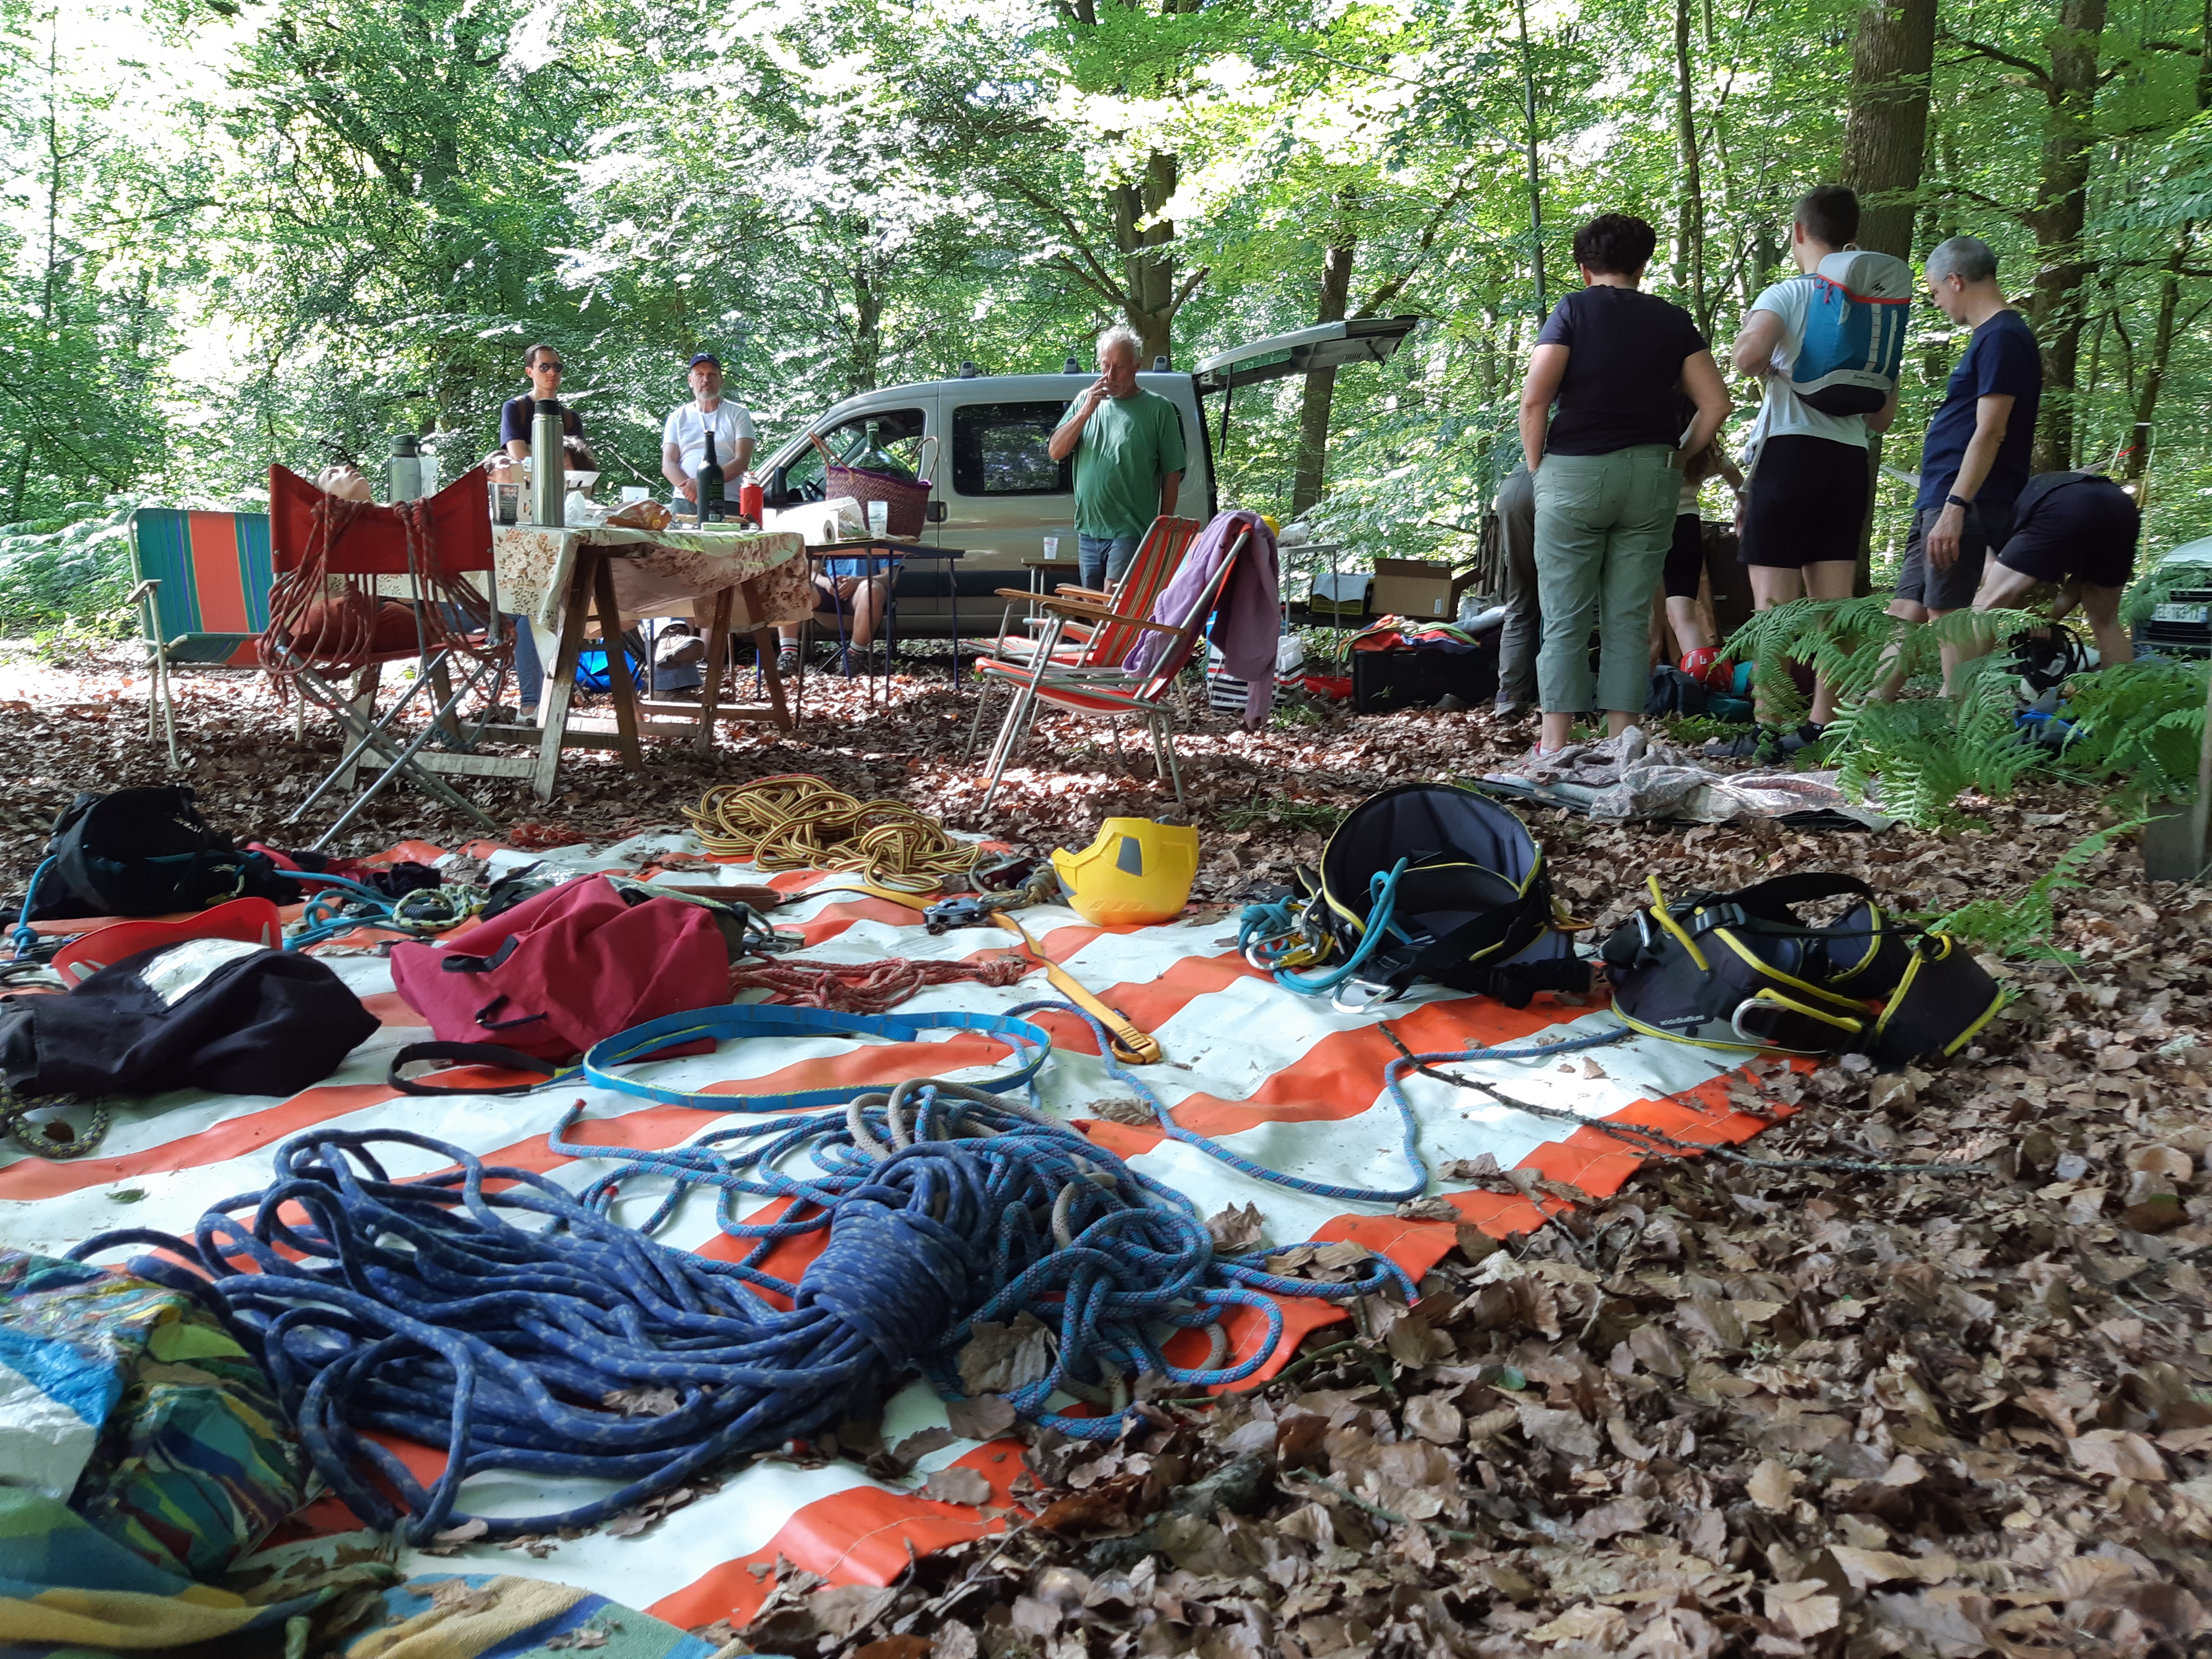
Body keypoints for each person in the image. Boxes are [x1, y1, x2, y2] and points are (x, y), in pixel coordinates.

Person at [1518, 213, 1731, 756]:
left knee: (1565, 617)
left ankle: (1554, 745)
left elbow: (1535, 398)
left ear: (1584, 269)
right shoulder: (1672, 321)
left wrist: (1540, 469)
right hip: (1651, 477)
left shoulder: (1572, 310)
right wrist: (1680, 454)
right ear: (1643, 265)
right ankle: (1621, 744)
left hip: (1574, 473)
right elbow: (1716, 403)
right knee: (1630, 617)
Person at [1729, 184, 1897, 737]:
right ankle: (1823, 724)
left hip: (1790, 456)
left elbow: (1748, 358)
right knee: (1836, 607)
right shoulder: (1875, 308)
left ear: (1799, 231)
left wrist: (1764, 358)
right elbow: (1882, 417)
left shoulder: (1789, 293)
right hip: (1849, 463)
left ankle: (1769, 726)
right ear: (1853, 238)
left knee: (1774, 605)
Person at [1891, 235, 2042, 691]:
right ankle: (1859, 722)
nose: (1936, 302)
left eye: (1935, 291)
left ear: (1955, 281)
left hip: (1966, 497)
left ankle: (1961, 735)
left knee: (1947, 614)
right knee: (1906, 610)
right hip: (1941, 494)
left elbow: (1991, 430)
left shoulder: (2003, 337)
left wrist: (1956, 507)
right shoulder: (1990, 338)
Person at [1047, 326, 1186, 593]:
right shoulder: (1084, 402)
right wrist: (1087, 410)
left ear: (1137, 365)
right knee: (1092, 604)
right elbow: (1056, 451)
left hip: (1131, 530)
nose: (1110, 376)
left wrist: (1162, 531)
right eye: (1105, 365)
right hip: (1089, 529)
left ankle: (1121, 637)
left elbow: (1172, 473)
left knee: (1114, 598)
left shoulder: (1159, 409)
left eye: (1119, 367)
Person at [1972, 471, 2138, 667]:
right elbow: (2080, 583)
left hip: (2066, 502)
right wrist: (2048, 621)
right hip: (2121, 505)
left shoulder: (1974, 522)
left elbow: (1994, 583)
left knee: (1984, 604)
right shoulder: (2020, 508)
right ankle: (2126, 694)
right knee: (2106, 621)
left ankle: (1959, 690)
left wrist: (2028, 617)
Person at [1664, 435, 1743, 672]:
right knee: (1685, 618)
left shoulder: (1652, 437)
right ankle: (1705, 685)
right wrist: (1742, 508)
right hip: (1686, 528)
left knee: (1638, 616)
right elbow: (1739, 483)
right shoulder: (1706, 449)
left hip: (1645, 527)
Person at [661, 352, 757, 515]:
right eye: (700, 374)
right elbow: (668, 465)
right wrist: (693, 493)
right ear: (691, 380)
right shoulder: (677, 417)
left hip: (727, 500)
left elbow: (741, 461)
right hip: (686, 501)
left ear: (721, 380)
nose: (706, 380)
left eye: (712, 374)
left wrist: (702, 484)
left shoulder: (738, 413)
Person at [1491, 465, 1538, 721]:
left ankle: (1509, 701)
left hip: (1516, 484)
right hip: (1561, 484)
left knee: (1521, 605)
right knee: (1573, 604)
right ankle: (1570, 703)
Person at [500, 344, 583, 473]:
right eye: (544, 367)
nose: (552, 372)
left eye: (557, 367)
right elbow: (518, 455)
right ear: (530, 372)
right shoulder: (515, 408)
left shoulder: (570, 418)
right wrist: (556, 466)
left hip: (565, 489)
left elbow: (578, 462)